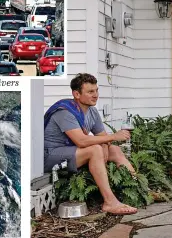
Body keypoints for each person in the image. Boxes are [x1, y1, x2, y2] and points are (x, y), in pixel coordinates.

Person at [43, 73, 138, 215]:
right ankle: (110, 202)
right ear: (76, 94)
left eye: (96, 90)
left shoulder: (92, 111)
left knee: (115, 150)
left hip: (71, 152)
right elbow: (81, 141)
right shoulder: (64, 112)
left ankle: (139, 189)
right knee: (94, 150)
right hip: (50, 155)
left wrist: (105, 149)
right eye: (90, 92)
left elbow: (103, 137)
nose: (95, 95)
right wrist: (112, 137)